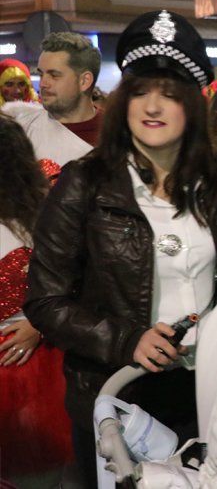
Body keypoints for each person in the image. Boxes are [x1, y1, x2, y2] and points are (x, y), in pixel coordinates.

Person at [24, 10, 217, 488]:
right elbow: (45, 299)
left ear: (193, 104)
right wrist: (126, 338)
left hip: (208, 397)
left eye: (170, 94)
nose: (153, 106)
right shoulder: (83, 184)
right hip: (116, 399)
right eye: (140, 91)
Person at [0, 116, 72, 482]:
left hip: (31, 367)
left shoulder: (43, 215)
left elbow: (76, 280)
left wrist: (37, 323)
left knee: (34, 472)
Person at [2, 35, 96, 166]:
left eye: (54, 75)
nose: (42, 84)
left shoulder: (120, 133)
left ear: (84, 81)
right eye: (41, 74)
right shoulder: (20, 129)